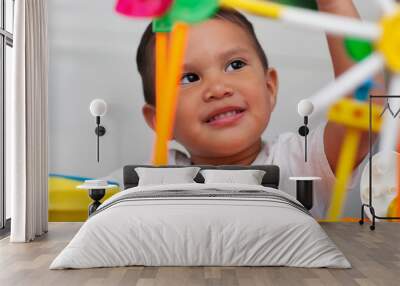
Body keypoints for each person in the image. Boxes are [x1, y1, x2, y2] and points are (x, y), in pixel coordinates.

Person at [105, 0, 384, 219]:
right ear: (159, 120)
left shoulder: (300, 160)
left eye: (235, 65)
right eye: (189, 78)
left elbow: (362, 118)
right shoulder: (146, 180)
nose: (218, 88)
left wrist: (333, 5)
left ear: (270, 87)